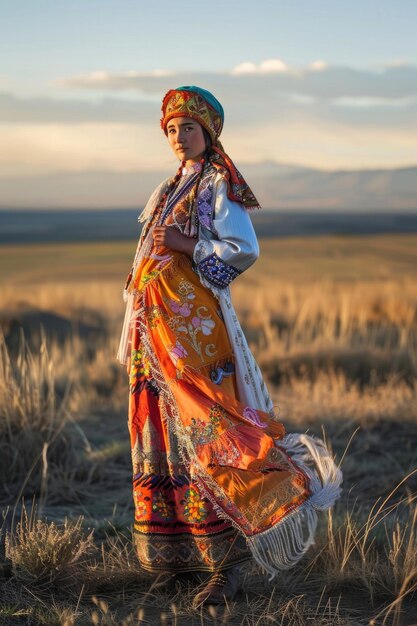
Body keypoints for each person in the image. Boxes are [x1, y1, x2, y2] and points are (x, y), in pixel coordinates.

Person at [117, 86, 342, 606]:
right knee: (161, 439)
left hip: (196, 339)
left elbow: (242, 250)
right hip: (156, 336)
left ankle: (228, 566)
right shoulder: (167, 187)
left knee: (211, 437)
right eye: (171, 129)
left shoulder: (218, 183)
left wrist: (187, 245)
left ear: (209, 132)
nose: (178, 137)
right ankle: (176, 561)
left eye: (188, 128)